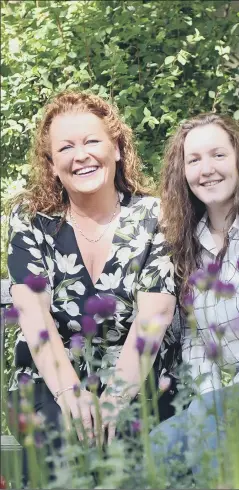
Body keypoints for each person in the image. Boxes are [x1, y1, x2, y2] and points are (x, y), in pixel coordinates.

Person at [6, 91, 181, 482]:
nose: (80, 155)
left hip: (138, 374)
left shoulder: (157, 216)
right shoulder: (31, 220)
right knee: (63, 446)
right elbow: (33, 317)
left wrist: (116, 399)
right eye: (65, 147)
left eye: (91, 141)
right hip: (52, 376)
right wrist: (71, 395)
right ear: (52, 165)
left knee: (128, 454)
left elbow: (154, 317)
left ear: (117, 148)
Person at [150, 112, 239, 479]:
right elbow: (197, 345)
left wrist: (226, 404)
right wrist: (211, 400)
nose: (206, 169)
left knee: (210, 436)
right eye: (194, 160)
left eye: (218, 155)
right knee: (158, 447)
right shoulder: (191, 250)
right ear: (182, 173)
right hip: (225, 402)